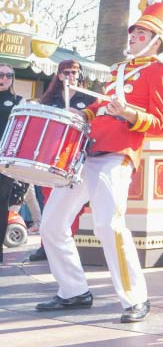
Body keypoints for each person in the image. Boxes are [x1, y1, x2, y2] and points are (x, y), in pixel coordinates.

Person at [36, 3, 163, 323]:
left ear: (155, 40)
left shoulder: (161, 72)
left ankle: (135, 298)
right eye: (132, 31)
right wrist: (83, 113)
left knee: (108, 226)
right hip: (87, 154)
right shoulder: (118, 70)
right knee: (51, 224)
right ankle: (73, 290)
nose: (132, 36)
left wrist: (129, 114)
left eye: (140, 32)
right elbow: (101, 107)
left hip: (116, 157)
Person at [28, 59, 97, 262]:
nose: (71, 76)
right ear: (59, 75)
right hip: (53, 156)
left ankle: (68, 246)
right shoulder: (50, 99)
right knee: (48, 201)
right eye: (67, 72)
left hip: (78, 155)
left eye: (75, 73)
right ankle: (45, 246)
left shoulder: (88, 99)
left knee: (71, 205)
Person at [0, 64, 24, 265]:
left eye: (9, 75)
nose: (4, 78)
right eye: (1, 74)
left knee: (1, 206)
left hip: (4, 160)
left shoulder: (18, 101)